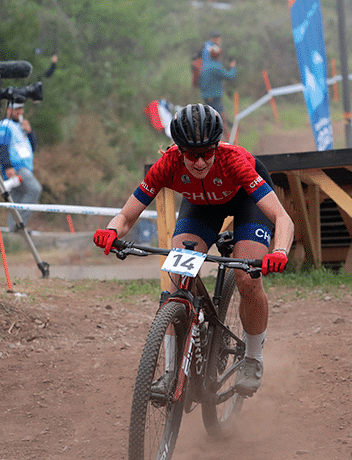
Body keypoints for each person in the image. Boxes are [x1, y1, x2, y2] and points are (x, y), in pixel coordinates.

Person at [93, 103, 294, 396]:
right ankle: (171, 372)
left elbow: (281, 218)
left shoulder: (234, 161)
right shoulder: (168, 164)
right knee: (178, 275)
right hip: (201, 207)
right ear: (179, 149)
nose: (199, 162)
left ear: (216, 146)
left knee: (247, 280)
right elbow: (126, 216)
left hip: (245, 202)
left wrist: (281, 252)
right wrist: (111, 231)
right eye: (191, 155)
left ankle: (253, 358)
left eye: (207, 153)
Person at [0, 101, 43, 231]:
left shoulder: (21, 126)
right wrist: (7, 166)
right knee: (35, 189)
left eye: (21, 109)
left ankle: (14, 230)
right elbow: (2, 146)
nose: (20, 112)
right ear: (8, 110)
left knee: (17, 199)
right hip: (16, 168)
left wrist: (30, 133)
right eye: (16, 109)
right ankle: (19, 225)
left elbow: (33, 147)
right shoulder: (5, 125)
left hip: (26, 167)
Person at [199, 45, 236, 136]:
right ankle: (230, 142)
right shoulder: (216, 67)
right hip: (214, 98)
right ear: (219, 56)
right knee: (222, 120)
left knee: (210, 121)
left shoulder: (205, 65)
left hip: (206, 98)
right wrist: (233, 67)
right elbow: (230, 76)